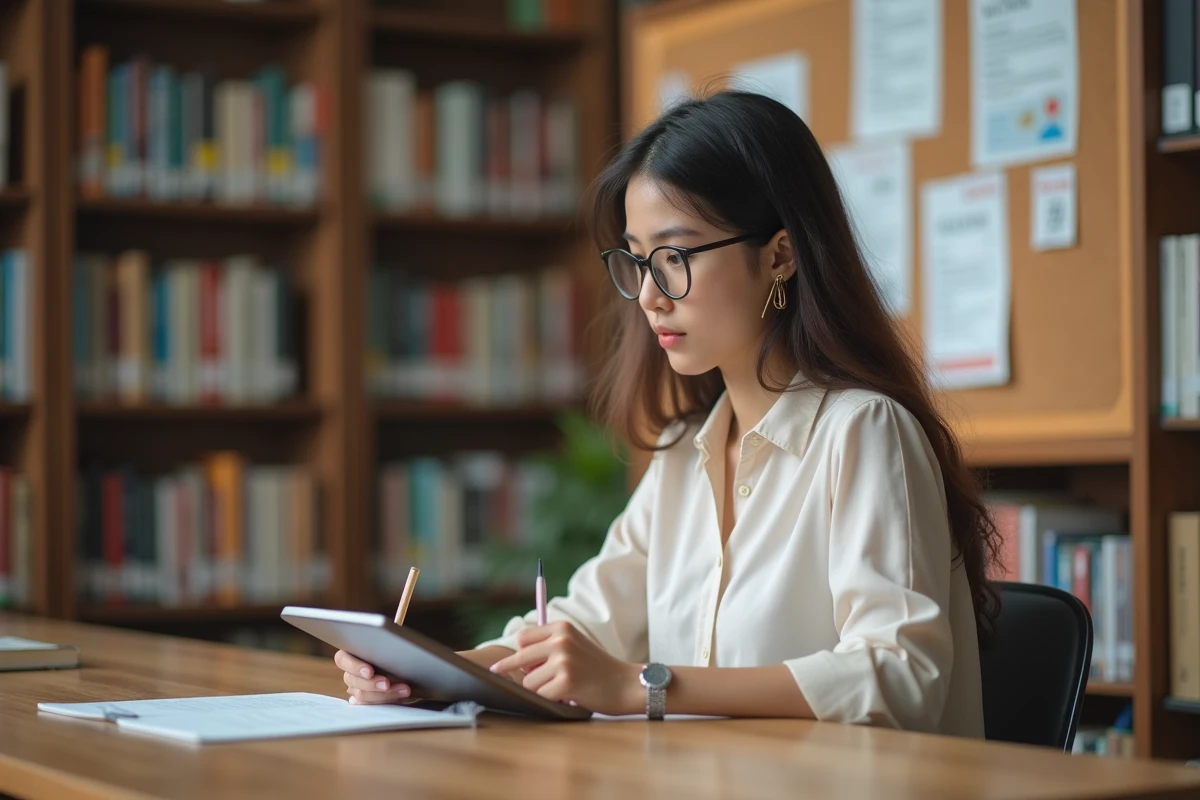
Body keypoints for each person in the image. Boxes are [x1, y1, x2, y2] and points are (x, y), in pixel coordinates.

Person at [335, 90, 1000, 736]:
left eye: (675, 258)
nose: (649, 296)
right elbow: (586, 626)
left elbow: (903, 675)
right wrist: (430, 673)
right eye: (638, 260)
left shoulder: (863, 430)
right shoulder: (687, 453)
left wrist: (640, 686)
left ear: (779, 255)